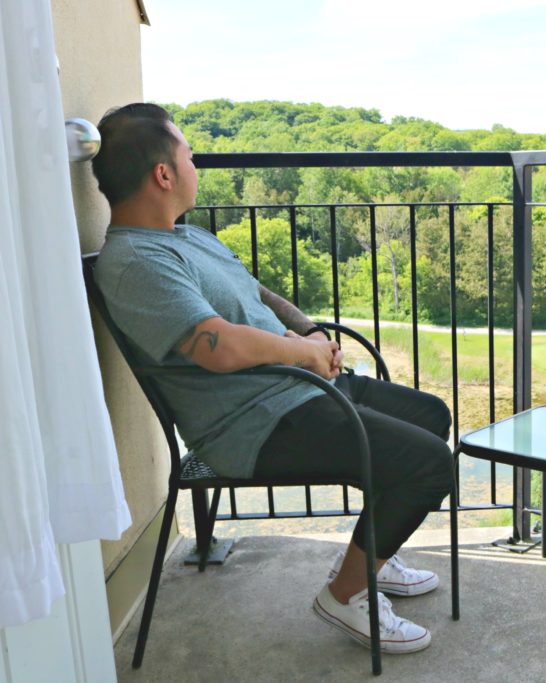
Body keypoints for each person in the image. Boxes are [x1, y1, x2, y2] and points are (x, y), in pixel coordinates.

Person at [91, 103, 452, 654]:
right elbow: (217, 346)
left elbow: (254, 291)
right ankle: (345, 593)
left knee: (431, 416)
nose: (195, 164)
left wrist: (312, 337)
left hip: (295, 388)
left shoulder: (182, 237)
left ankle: (370, 555)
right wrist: (302, 355)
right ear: (163, 174)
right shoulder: (137, 262)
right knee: (429, 464)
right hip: (255, 424)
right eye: (189, 154)